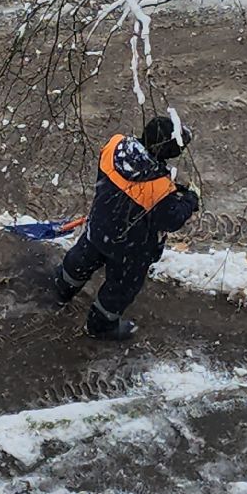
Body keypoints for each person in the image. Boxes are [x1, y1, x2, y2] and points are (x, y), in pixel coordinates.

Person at [53, 115, 200, 340]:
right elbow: (172, 220)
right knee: (119, 289)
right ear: (169, 151)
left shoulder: (114, 146)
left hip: (99, 228)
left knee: (80, 260)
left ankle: (62, 288)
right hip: (131, 250)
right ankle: (101, 325)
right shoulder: (160, 189)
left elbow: (122, 183)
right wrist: (190, 199)